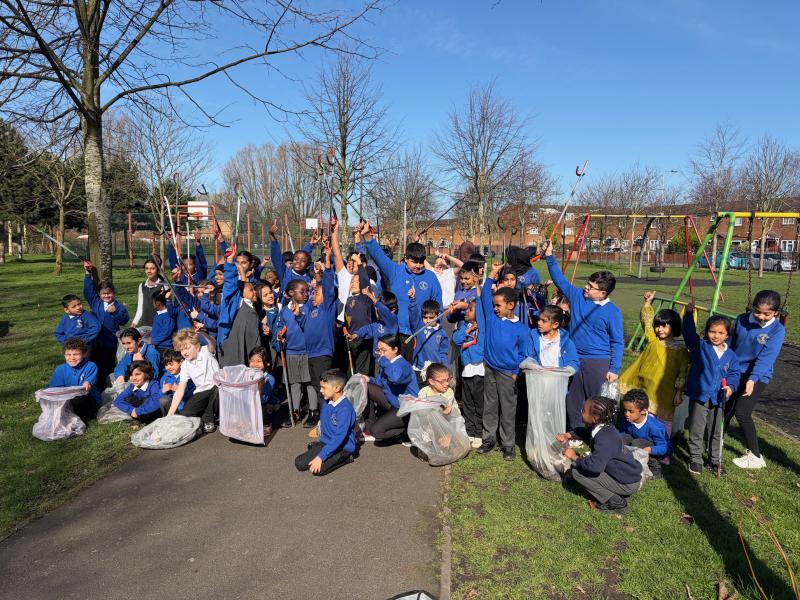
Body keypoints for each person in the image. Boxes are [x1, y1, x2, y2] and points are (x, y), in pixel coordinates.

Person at [542, 240, 624, 432]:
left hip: (597, 362)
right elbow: (560, 280)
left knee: (597, 402)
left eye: (591, 287)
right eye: (587, 283)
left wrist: (614, 368)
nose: (586, 288)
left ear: (602, 293)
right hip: (573, 358)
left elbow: (617, 342)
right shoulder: (577, 296)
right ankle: (576, 431)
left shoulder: (613, 312)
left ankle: (600, 433)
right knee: (573, 398)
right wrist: (549, 256)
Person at [359, 220, 442, 362]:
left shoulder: (431, 277)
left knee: (414, 370)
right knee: (391, 369)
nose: (418, 265)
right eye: (414, 261)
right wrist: (367, 235)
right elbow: (379, 256)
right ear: (406, 258)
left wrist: (431, 331)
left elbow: (437, 306)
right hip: (394, 332)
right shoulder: (395, 271)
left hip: (418, 334)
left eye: (421, 262)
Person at [728, 290, 786, 470]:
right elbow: (730, 344)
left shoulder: (777, 330)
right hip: (736, 370)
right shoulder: (741, 320)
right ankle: (716, 438)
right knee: (727, 404)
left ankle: (755, 456)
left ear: (776, 312)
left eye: (767, 314)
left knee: (742, 411)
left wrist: (752, 379)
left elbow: (766, 359)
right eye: (757, 311)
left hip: (758, 375)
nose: (761, 316)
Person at [476, 263, 528, 461]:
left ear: (511, 305)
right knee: (490, 405)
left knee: (508, 409)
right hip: (490, 368)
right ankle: (488, 439)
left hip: (508, 373)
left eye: (499, 305)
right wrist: (491, 274)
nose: (495, 308)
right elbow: (484, 295)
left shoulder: (521, 329)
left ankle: (508, 444)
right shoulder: (492, 318)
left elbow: (524, 353)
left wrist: (516, 371)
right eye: (494, 305)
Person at [557, 396, 643, 515]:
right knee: (583, 467)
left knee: (578, 472)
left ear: (595, 418)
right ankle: (618, 493)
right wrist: (568, 435)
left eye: (584, 410)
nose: (581, 411)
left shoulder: (605, 439)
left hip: (627, 483)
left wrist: (574, 457)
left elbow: (595, 467)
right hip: (627, 476)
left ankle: (616, 502)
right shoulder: (604, 428)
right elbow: (586, 433)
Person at [682, 307, 741, 475]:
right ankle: (695, 458)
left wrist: (730, 387)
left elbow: (734, 374)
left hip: (719, 398)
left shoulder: (731, 355)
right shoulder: (700, 347)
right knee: (697, 428)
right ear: (707, 332)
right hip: (700, 396)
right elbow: (689, 334)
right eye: (712, 331)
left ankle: (715, 460)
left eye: (721, 333)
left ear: (727, 335)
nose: (716, 336)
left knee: (716, 429)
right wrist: (688, 315)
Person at [619, 291, 689, 431]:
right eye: (657, 325)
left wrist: (678, 393)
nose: (659, 329)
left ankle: (659, 442)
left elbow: (682, 373)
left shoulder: (681, 351)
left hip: (665, 392)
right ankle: (634, 437)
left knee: (661, 422)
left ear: (674, 327)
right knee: (639, 415)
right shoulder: (653, 340)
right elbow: (647, 323)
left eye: (664, 326)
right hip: (645, 386)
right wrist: (647, 303)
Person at [294, 369, 357, 476]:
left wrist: (320, 457)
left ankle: (347, 457)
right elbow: (324, 422)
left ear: (337, 388)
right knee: (299, 463)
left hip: (343, 447)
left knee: (318, 470)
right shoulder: (327, 401)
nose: (321, 390)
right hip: (327, 443)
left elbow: (339, 437)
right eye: (321, 387)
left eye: (324, 387)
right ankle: (322, 449)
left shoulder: (345, 409)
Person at [302, 243, 337, 429]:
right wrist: (316, 276)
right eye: (313, 292)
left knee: (326, 389)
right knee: (318, 388)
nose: (313, 294)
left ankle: (328, 422)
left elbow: (327, 285)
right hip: (311, 354)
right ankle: (325, 421)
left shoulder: (327, 306)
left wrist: (327, 263)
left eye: (316, 292)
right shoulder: (311, 308)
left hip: (323, 354)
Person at [363, 334, 419, 442]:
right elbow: (381, 382)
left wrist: (384, 362)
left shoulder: (403, 364)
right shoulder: (388, 362)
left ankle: (405, 433)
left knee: (377, 432)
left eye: (383, 350)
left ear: (395, 349)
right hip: (393, 401)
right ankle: (369, 425)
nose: (380, 353)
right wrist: (369, 379)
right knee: (366, 386)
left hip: (405, 408)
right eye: (378, 350)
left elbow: (395, 378)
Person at [82, 267, 130, 389]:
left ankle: (107, 389)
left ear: (113, 293)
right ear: (99, 294)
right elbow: (88, 291)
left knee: (107, 368)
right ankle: (93, 388)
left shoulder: (118, 306)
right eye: (103, 293)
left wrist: (115, 313)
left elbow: (124, 320)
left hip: (110, 342)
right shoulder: (96, 302)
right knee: (93, 365)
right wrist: (88, 274)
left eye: (109, 293)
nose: (106, 295)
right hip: (94, 342)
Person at [167, 328, 220, 434]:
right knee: (186, 412)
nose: (184, 352)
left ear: (197, 346)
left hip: (216, 389)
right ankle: (202, 419)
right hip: (201, 393)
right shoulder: (185, 365)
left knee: (217, 390)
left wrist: (204, 333)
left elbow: (212, 343)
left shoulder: (205, 351)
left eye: (187, 348)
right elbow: (180, 389)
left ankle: (208, 420)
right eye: (182, 350)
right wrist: (170, 413)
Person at [278, 279, 314, 427]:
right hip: (291, 351)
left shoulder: (309, 307)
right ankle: (295, 411)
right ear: (292, 293)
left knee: (309, 383)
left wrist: (299, 314)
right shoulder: (284, 311)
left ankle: (313, 411)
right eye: (302, 291)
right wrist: (279, 334)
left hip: (307, 351)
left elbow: (310, 325)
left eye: (307, 291)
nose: (306, 294)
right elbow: (281, 326)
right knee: (295, 383)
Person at [452, 300, 484, 449]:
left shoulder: (484, 328)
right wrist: (468, 331)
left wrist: (470, 342)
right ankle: (470, 431)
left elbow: (481, 348)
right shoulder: (464, 326)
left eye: (470, 310)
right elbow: (456, 340)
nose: (466, 312)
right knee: (468, 403)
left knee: (479, 404)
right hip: (466, 371)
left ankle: (479, 433)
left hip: (480, 371)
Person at [619, 388, 671, 479]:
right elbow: (622, 433)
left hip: (653, 449)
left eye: (631, 411)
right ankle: (622, 461)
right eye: (625, 410)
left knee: (638, 443)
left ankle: (655, 469)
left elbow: (665, 448)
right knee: (621, 438)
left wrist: (650, 450)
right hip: (637, 443)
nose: (627, 414)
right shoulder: (627, 419)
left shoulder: (655, 427)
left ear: (643, 411)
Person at [48, 337, 101, 424]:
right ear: (64, 355)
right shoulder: (60, 369)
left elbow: (89, 382)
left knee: (77, 399)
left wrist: (87, 383)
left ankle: (81, 421)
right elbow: (55, 388)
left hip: (88, 399)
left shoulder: (91, 366)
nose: (72, 358)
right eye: (68, 355)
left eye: (76, 354)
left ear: (84, 354)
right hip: (67, 399)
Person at [219, 262, 260, 367]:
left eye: (254, 289)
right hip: (235, 351)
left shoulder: (252, 306)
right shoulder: (239, 303)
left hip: (250, 349)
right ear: (241, 294)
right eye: (251, 290)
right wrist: (231, 264)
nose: (255, 292)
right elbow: (231, 285)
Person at [349, 290, 399, 372]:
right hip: (378, 361)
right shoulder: (377, 323)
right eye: (376, 309)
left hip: (389, 361)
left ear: (392, 310)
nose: (377, 311)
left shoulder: (392, 321)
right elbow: (368, 329)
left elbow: (384, 311)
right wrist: (356, 334)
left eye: (379, 310)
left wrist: (370, 296)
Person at [407, 294, 449, 387]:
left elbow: (443, 353)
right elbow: (413, 315)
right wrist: (412, 300)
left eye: (431, 318)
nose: (428, 320)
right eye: (425, 317)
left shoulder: (441, 333)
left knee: (432, 393)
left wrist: (445, 368)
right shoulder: (419, 327)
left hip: (435, 371)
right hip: (419, 369)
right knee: (419, 393)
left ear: (438, 316)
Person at [525, 305, 579, 371]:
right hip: (538, 376)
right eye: (539, 319)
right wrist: (530, 365)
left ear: (555, 324)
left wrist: (567, 370)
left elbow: (574, 362)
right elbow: (527, 357)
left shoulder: (567, 342)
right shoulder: (533, 337)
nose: (539, 323)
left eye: (543, 321)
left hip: (559, 376)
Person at [269, 219, 315, 294]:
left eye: (303, 261)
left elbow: (305, 256)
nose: (298, 262)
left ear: (307, 265)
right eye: (296, 259)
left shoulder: (310, 277)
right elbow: (276, 257)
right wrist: (272, 236)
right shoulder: (285, 273)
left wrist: (311, 245)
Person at [248, 346, 278, 438]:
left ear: (267, 363)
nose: (255, 364)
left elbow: (264, 399)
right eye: (252, 361)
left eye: (258, 361)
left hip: (266, 403)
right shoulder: (248, 375)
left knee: (264, 407)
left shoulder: (269, 378)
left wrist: (260, 386)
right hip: (253, 402)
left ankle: (266, 424)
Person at [131, 258, 167, 328]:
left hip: (159, 324)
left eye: (152, 268)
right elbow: (140, 307)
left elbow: (167, 308)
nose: (149, 271)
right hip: (144, 324)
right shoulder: (142, 286)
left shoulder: (164, 285)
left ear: (157, 270)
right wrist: (134, 323)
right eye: (146, 268)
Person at [159, 349, 194, 415]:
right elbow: (160, 397)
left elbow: (194, 395)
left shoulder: (189, 376)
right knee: (164, 400)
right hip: (174, 409)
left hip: (187, 407)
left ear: (181, 362)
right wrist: (163, 391)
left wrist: (182, 391)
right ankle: (168, 418)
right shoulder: (165, 378)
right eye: (166, 365)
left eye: (171, 364)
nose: (168, 367)